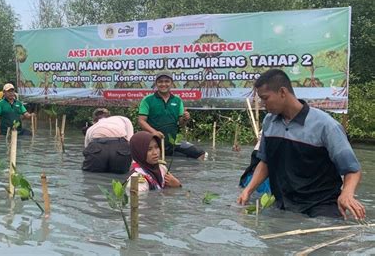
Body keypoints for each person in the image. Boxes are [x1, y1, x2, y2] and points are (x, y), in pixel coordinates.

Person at [237, 69, 365, 220]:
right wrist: (248, 190)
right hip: (283, 204)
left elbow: (352, 169)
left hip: (320, 207)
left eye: (265, 98)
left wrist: (347, 194)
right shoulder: (269, 122)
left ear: (283, 92)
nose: (263, 104)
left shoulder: (326, 126)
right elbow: (265, 161)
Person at [138, 71, 206, 160]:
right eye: (160, 82)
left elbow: (181, 124)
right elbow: (141, 121)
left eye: (167, 81)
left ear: (171, 83)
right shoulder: (147, 100)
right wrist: (154, 132)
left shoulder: (177, 100)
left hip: (172, 142)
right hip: (153, 143)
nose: (163, 84)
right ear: (156, 84)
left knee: (200, 154)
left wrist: (185, 119)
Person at [82, 108, 133, 174]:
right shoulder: (123, 119)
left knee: (91, 176)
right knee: (121, 177)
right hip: (120, 146)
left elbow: (87, 148)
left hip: (96, 145)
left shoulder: (91, 128)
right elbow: (130, 141)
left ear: (94, 121)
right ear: (109, 116)